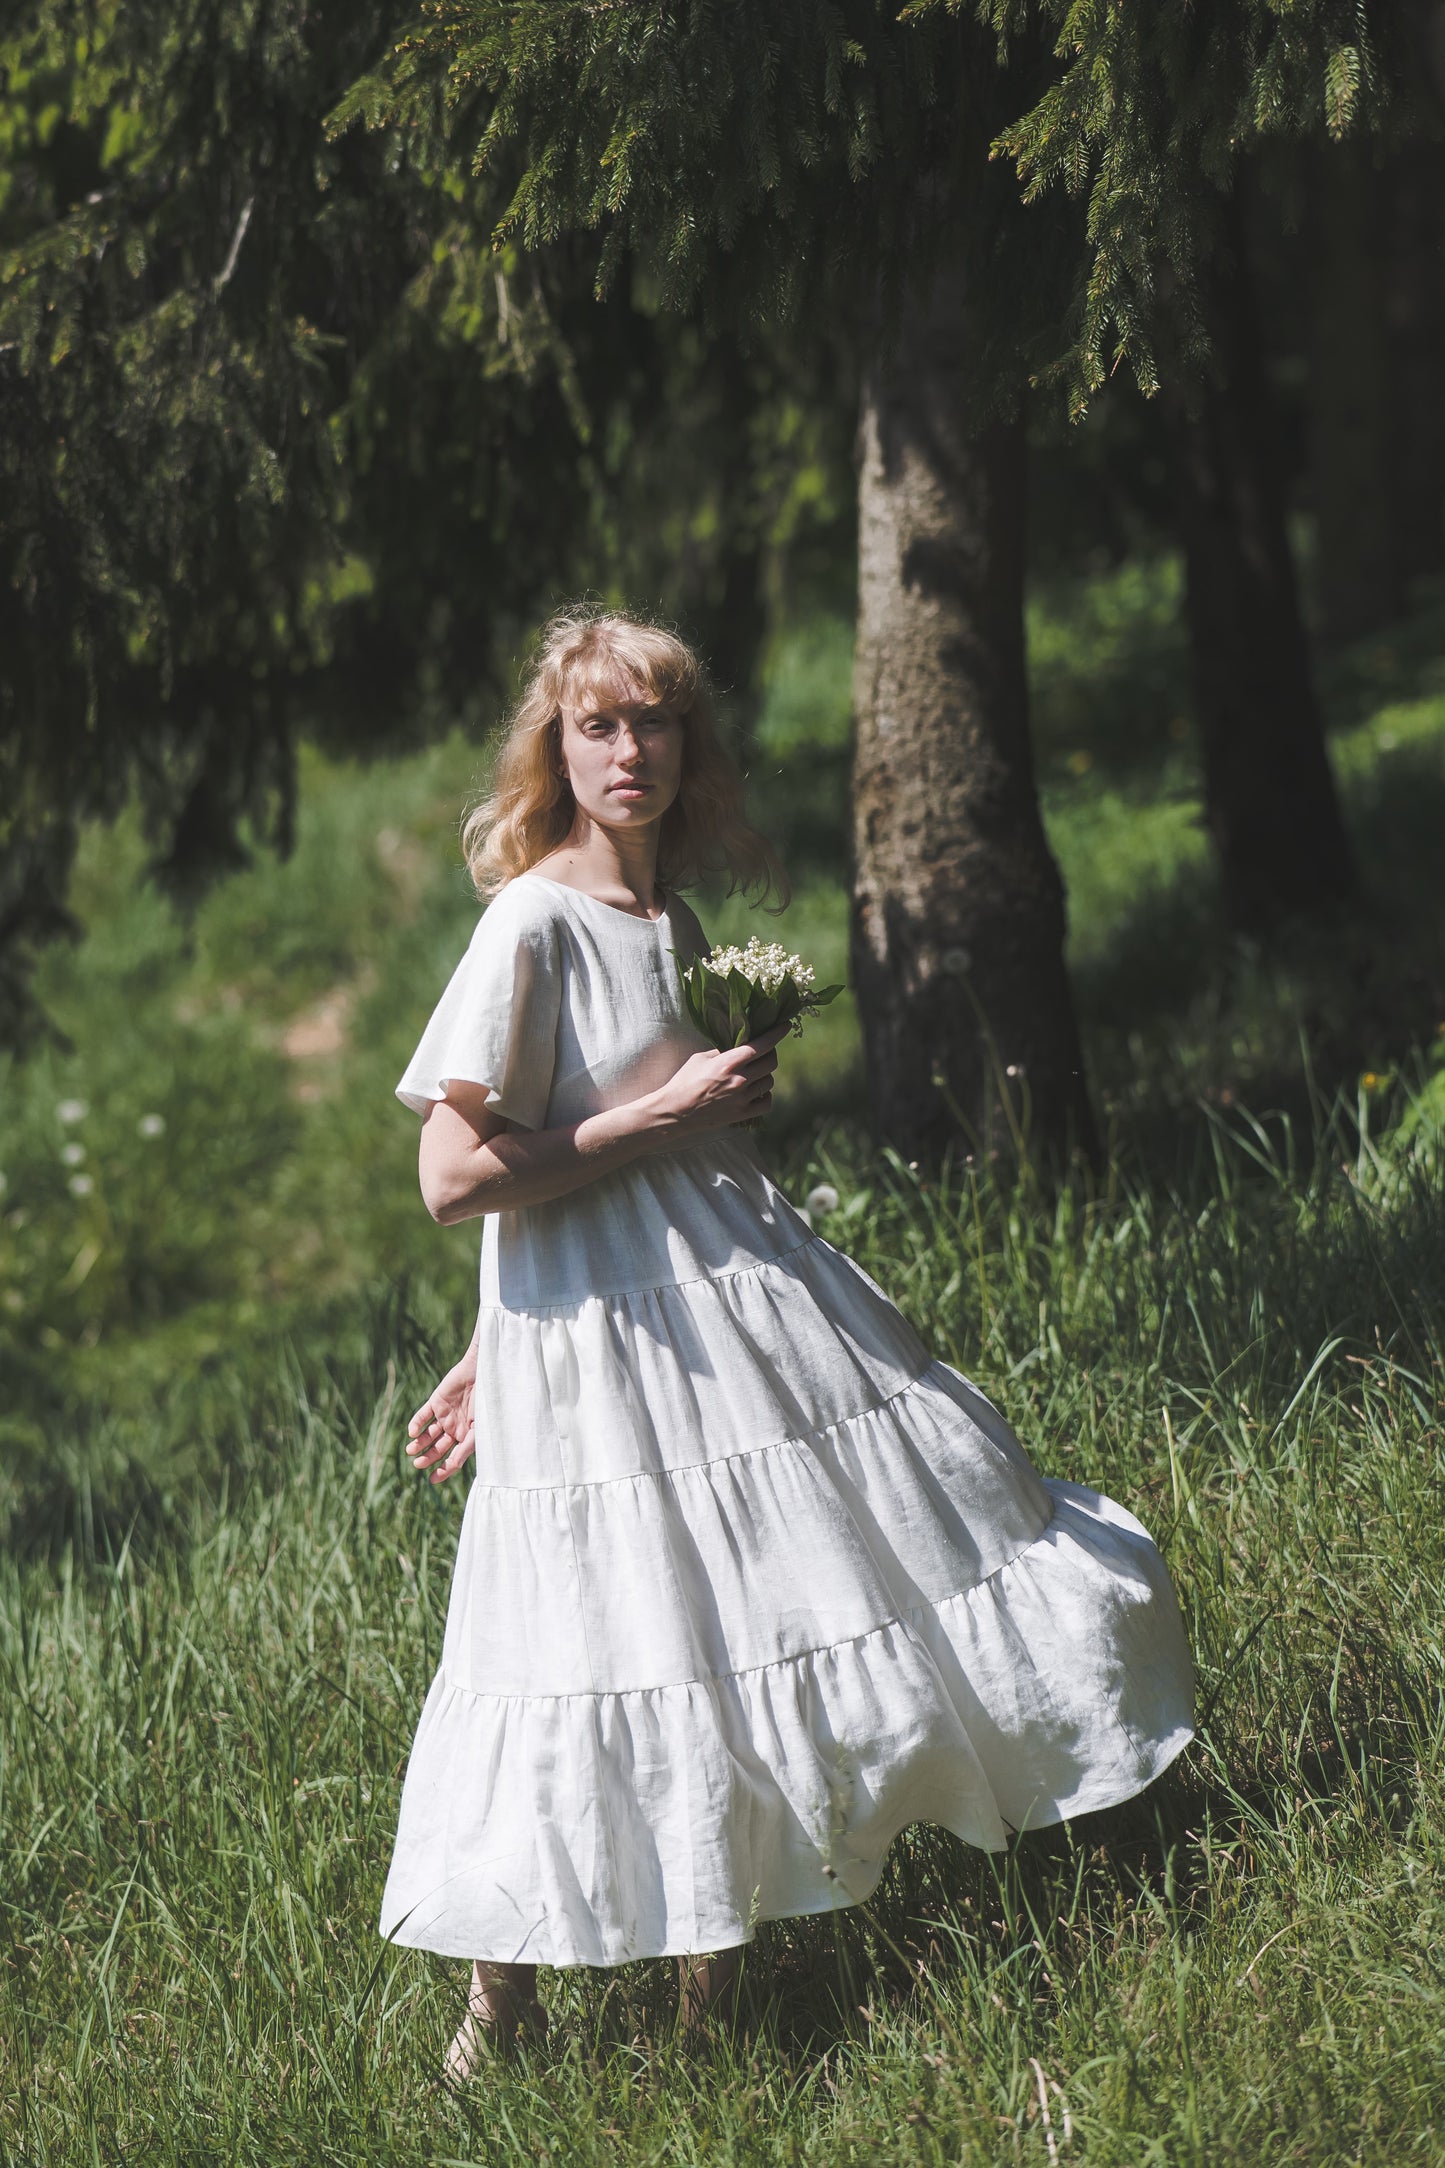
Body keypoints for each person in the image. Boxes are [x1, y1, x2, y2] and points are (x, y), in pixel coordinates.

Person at [380, 607, 1194, 2076]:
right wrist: (657, 1123)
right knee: (575, 1645)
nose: (630, 752)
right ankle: (501, 2005)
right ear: (553, 753)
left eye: (655, 722)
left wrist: (501, 1330)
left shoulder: (667, 924)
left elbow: (585, 1172)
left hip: (725, 1314)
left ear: (691, 745)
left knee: (749, 1619)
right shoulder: (534, 921)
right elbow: (454, 1176)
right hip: (609, 1360)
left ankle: (715, 2003)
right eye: (598, 727)